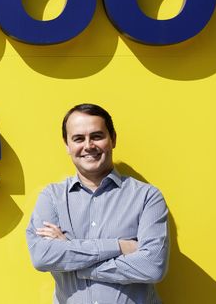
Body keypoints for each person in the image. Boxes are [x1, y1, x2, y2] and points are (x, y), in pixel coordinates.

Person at [26, 103, 169, 304]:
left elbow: (152, 266)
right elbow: (43, 256)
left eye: (96, 136)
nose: (88, 146)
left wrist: (73, 256)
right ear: (67, 145)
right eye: (78, 139)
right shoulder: (51, 197)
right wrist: (119, 246)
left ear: (113, 139)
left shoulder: (146, 197)